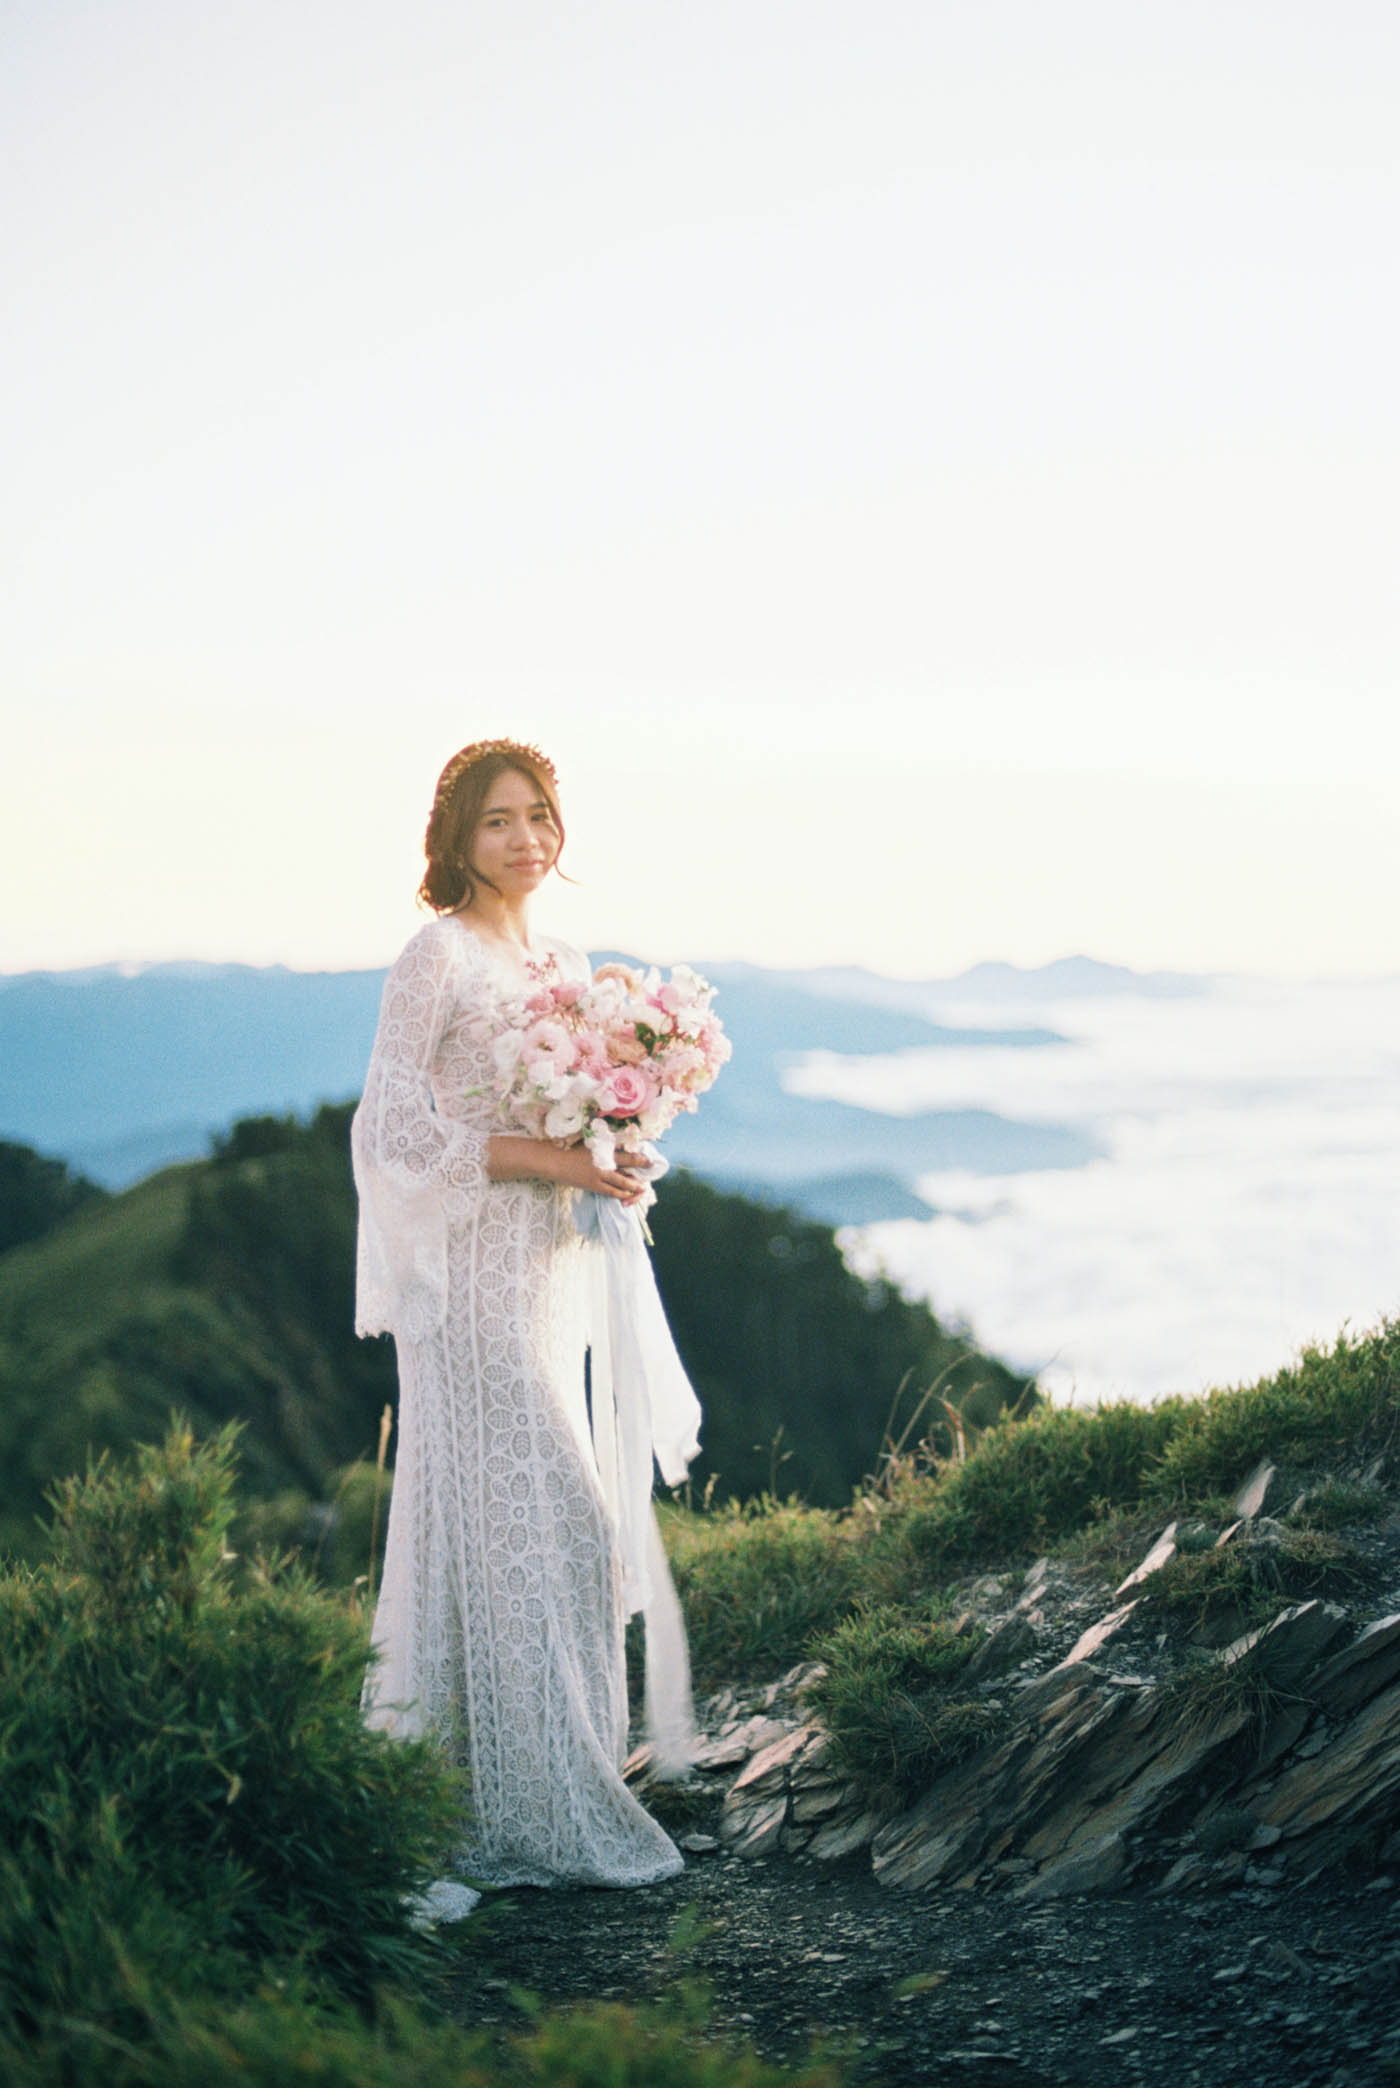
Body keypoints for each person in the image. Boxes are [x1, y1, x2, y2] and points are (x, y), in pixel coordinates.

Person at [351, 738, 695, 1896]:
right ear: (455, 838)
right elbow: (388, 1129)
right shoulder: (433, 954)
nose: (524, 839)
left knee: (546, 1528)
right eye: (497, 821)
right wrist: (543, 1153)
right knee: (539, 1508)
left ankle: (528, 1780)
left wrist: (608, 1149)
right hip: (464, 1279)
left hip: (545, 1270)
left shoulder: (563, 960)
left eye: (538, 816)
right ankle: (523, 1804)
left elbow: (577, 1113)